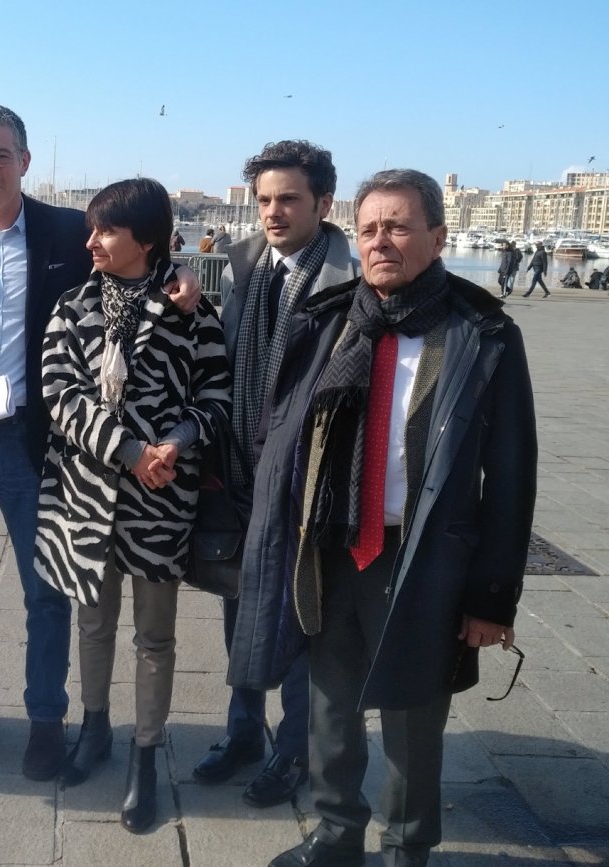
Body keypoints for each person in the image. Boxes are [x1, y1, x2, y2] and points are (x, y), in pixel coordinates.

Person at [0, 104, 201, 782]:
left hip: (40, 443)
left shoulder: (67, 231)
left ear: (25, 161)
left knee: (48, 589)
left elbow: (137, 252)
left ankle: (45, 717)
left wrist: (178, 272)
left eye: (0, 154)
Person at [254, 169, 536, 867]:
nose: (381, 241)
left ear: (438, 237)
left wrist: (492, 597)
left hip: (424, 557)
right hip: (333, 546)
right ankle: (335, 831)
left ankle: (408, 847)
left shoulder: (483, 333)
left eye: (400, 226)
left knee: (414, 718)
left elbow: (510, 477)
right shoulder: (329, 320)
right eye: (370, 227)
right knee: (328, 707)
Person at [35, 178, 231, 832]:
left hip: (160, 498)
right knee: (92, 623)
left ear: (145, 239)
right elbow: (60, 397)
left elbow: (215, 395)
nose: (90, 241)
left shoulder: (191, 310)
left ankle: (145, 752)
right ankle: (94, 727)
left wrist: (173, 444)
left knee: (155, 633)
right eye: (91, 229)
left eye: (106, 231)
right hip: (89, 492)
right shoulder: (71, 307)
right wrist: (128, 450)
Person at [194, 140, 357, 808]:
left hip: (302, 481)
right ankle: (242, 733)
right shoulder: (241, 269)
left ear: (323, 202)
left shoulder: (348, 282)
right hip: (239, 473)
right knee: (241, 617)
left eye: (288, 199)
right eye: (263, 200)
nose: (273, 212)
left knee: (296, 626)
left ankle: (294, 750)